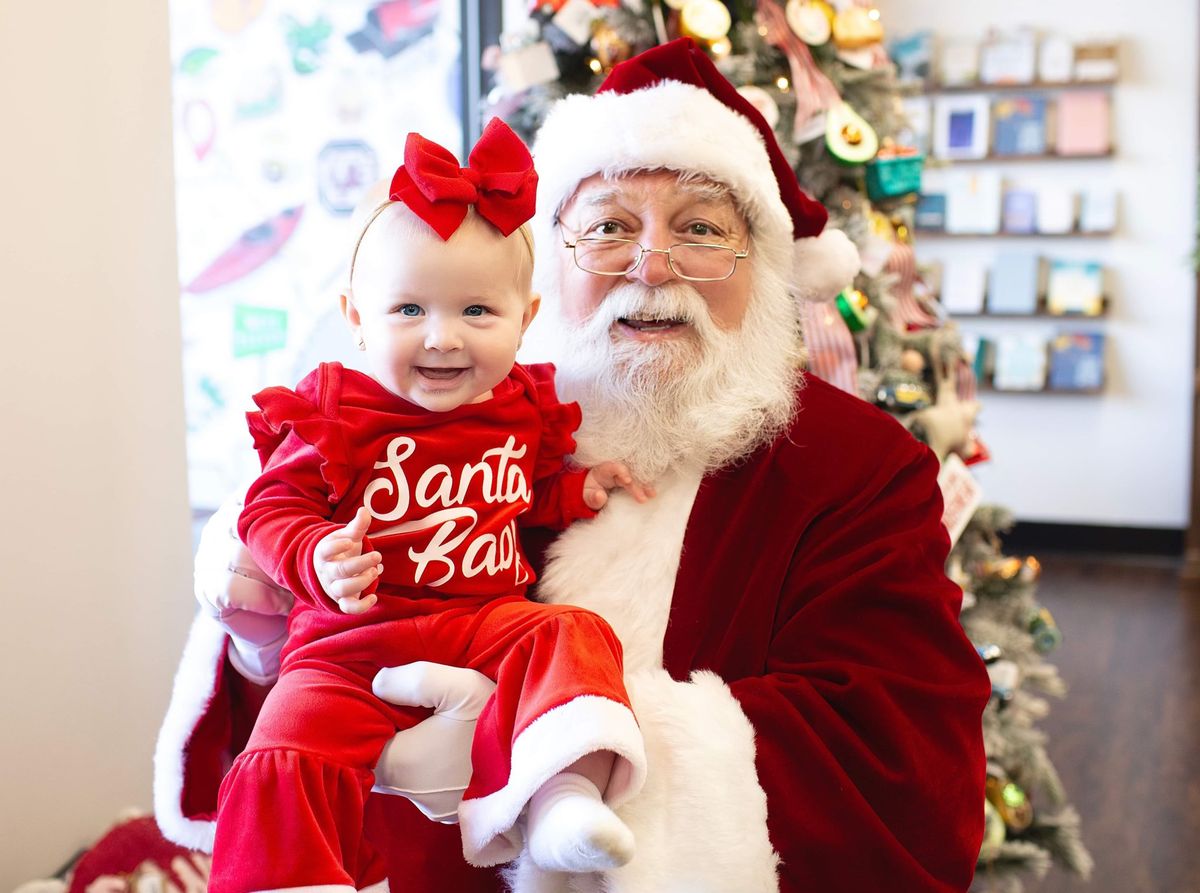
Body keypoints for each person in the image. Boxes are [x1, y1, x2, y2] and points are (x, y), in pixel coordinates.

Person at [156, 38, 990, 893]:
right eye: (608, 228)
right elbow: (299, 659)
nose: (652, 265)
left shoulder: (858, 466)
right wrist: (258, 631)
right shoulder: (451, 411)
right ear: (549, 267)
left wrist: (537, 748)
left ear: (765, 267)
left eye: (703, 228)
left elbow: (895, 759)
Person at [206, 119, 653, 893]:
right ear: (355, 317)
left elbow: (523, 496)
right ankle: (290, 877)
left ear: (526, 316)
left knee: (574, 636)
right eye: (408, 310)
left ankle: (562, 796)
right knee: (285, 743)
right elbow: (269, 505)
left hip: (481, 623)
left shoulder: (520, 407)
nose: (442, 338)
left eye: (477, 312)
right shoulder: (337, 409)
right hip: (351, 639)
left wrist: (574, 489)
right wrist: (313, 553)